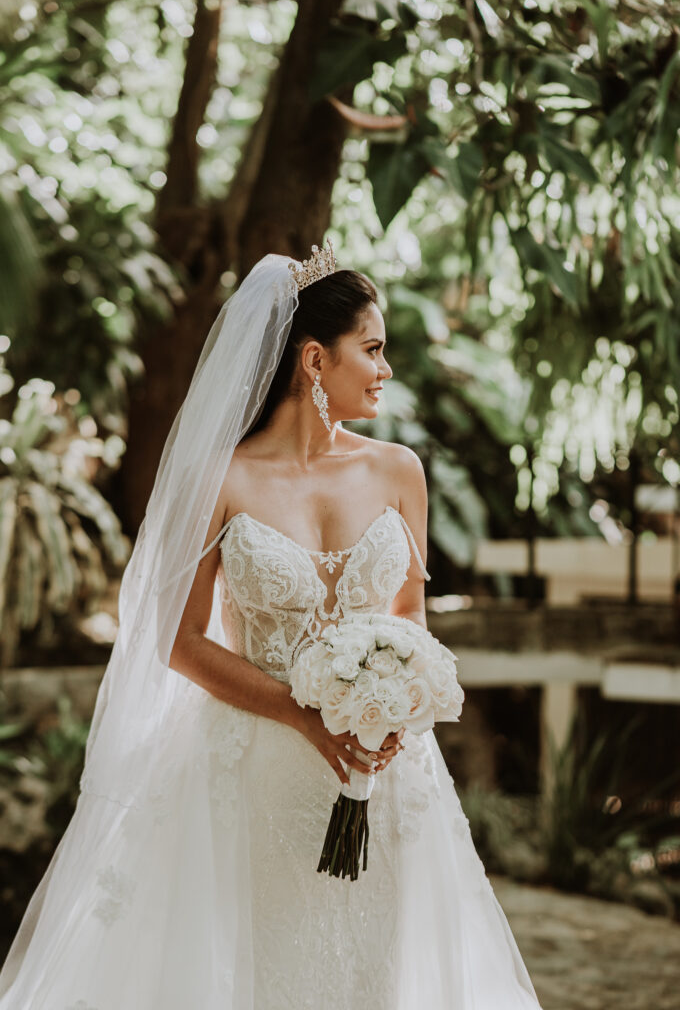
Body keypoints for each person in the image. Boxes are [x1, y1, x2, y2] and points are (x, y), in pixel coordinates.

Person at [0, 243, 543, 1009]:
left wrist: (399, 706)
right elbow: (178, 643)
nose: (387, 368)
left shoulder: (398, 471)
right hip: (250, 771)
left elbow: (409, 618)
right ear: (315, 359)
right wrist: (302, 714)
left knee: (377, 973)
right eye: (374, 349)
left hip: (383, 770)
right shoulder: (222, 479)